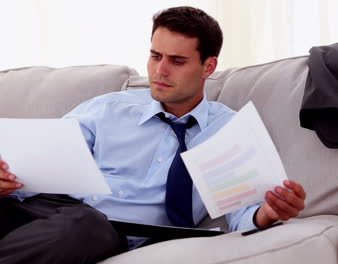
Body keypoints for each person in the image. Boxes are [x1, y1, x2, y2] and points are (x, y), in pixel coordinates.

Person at [0, 6, 306, 264]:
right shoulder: (108, 109)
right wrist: (7, 179)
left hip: (101, 230)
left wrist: (269, 212)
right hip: (41, 208)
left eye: (177, 61)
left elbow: (242, 215)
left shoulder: (228, 130)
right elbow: (43, 157)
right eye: (155, 56)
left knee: (88, 225)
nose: (160, 71)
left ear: (208, 66)